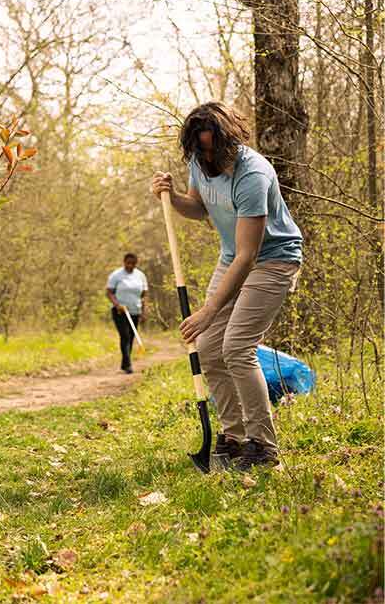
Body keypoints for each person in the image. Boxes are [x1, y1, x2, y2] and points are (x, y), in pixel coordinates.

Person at [151, 101, 303, 471]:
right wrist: (172, 197)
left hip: (273, 259)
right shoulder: (198, 162)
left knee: (236, 346)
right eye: (199, 148)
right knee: (207, 348)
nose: (206, 156)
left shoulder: (253, 174)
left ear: (229, 140)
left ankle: (264, 448)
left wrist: (208, 310)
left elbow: (248, 255)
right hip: (231, 258)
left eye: (212, 148)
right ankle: (234, 438)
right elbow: (199, 208)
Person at [106, 253, 148, 374]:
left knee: (131, 336)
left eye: (133, 263)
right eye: (128, 263)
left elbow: (144, 295)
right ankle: (128, 364)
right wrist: (117, 305)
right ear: (124, 262)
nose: (130, 265)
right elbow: (109, 292)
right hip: (120, 311)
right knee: (125, 336)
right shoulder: (116, 275)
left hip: (135, 310)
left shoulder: (140, 275)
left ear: (136, 263)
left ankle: (125, 363)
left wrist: (144, 311)